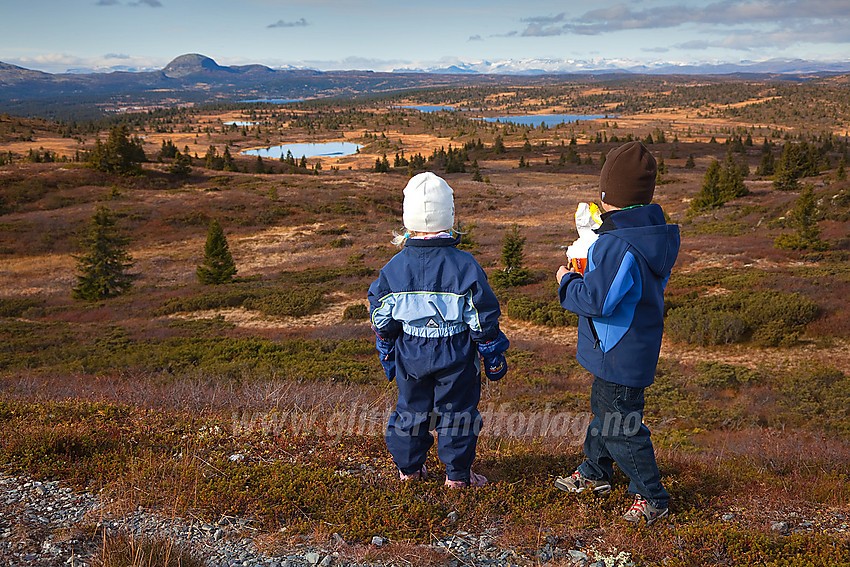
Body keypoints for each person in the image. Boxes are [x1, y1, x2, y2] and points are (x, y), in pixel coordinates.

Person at [553, 141, 680, 525]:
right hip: (630, 346)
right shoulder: (648, 234)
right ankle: (595, 472)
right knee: (605, 412)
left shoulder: (616, 244)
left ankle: (651, 496)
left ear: (608, 194)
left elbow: (597, 300)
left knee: (622, 424)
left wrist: (566, 282)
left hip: (617, 349)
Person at [368, 172, 509, 488]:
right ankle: (458, 477)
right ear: (450, 217)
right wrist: (492, 353)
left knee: (410, 411)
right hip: (457, 353)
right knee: (457, 414)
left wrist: (387, 349)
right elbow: (482, 317)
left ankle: (409, 470)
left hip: (411, 351)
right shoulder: (465, 265)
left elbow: (380, 316)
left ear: (408, 221)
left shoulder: (393, 268)